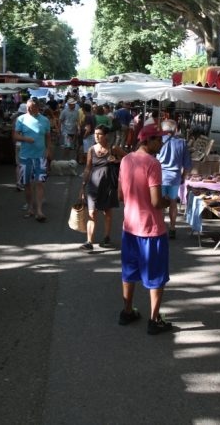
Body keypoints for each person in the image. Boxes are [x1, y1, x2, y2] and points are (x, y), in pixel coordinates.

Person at [117, 123, 173, 335]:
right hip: (151, 229)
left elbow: (120, 196)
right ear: (147, 141)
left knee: (129, 272)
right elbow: (156, 201)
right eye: (158, 139)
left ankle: (127, 311)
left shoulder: (125, 160)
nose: (161, 143)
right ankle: (154, 319)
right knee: (156, 275)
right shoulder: (152, 163)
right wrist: (168, 201)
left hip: (129, 227)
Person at [80, 125, 124, 251]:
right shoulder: (91, 150)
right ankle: (89, 241)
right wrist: (82, 186)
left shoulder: (113, 148)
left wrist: (117, 161)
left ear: (106, 136)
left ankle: (106, 238)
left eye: (99, 134)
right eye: (95, 133)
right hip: (93, 185)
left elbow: (128, 158)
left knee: (107, 212)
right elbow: (88, 168)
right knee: (92, 213)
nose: (96, 136)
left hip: (108, 185)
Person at [14, 98, 51, 222]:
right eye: (28, 107)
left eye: (32, 107)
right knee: (27, 184)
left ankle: (39, 210)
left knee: (40, 182)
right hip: (25, 157)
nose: (29, 109)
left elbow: (48, 136)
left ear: (37, 107)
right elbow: (15, 135)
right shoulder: (21, 119)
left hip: (40, 156)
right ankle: (30, 207)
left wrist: (48, 150)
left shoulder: (45, 120)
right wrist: (25, 139)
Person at [156, 119, 192, 239]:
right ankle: (172, 228)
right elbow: (187, 165)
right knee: (173, 203)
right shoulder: (182, 143)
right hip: (175, 177)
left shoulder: (157, 141)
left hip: (159, 177)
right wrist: (183, 177)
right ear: (175, 129)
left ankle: (159, 228)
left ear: (163, 130)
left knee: (159, 204)